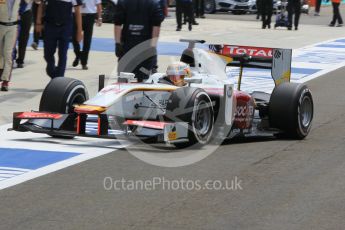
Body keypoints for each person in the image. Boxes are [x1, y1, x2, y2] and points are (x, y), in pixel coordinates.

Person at [114, 0, 164, 82]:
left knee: (123, 79)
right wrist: (153, 47)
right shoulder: (154, 3)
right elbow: (156, 26)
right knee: (144, 79)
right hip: (145, 48)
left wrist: (117, 43)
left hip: (127, 48)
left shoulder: (123, 2)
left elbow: (118, 23)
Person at [36, 0, 83, 79]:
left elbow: (77, 10)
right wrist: (38, 22)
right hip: (50, 26)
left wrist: (79, 31)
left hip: (65, 27)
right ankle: (53, 73)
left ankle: (59, 78)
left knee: (63, 53)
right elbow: (41, 6)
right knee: (47, 54)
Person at [0, 0, 26, 91]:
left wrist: (20, 12)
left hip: (13, 27)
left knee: (8, 53)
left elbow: (26, 2)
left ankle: (5, 81)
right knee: (1, 54)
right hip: (0, 25)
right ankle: (1, 71)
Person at [72, 0, 102, 70]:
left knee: (87, 41)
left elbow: (98, 5)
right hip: (76, 15)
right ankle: (78, 55)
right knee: (74, 38)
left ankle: (84, 63)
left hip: (89, 17)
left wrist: (99, 18)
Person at [16, 0, 33, 68]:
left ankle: (20, 59)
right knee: (11, 36)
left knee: (24, 37)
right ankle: (12, 55)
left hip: (26, 12)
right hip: (12, 12)